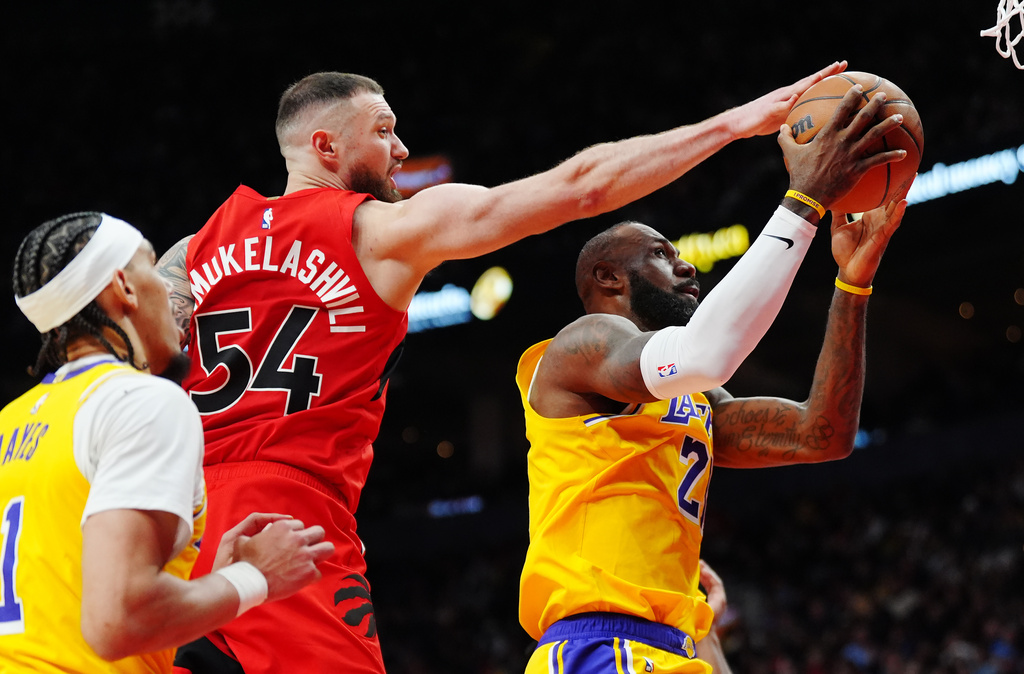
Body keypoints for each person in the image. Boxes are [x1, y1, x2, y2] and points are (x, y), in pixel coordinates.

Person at [157, 63, 865, 673]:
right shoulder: (384, 229)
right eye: (383, 130)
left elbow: (142, 360)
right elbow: (582, 185)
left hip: (181, 515)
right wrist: (735, 124)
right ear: (325, 145)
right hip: (291, 513)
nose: (401, 149)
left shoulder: (195, 248)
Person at [514, 84, 907, 673]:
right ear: (609, 278)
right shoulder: (580, 348)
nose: (686, 264)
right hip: (598, 645)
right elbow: (705, 353)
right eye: (659, 253)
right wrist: (804, 201)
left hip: (674, 647)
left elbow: (820, 434)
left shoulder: (692, 398)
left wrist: (854, 282)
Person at [0, 212, 334, 673]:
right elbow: (117, 623)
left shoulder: (10, 421)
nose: (178, 289)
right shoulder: (140, 399)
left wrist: (207, 580)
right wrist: (255, 576)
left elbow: (67, 598)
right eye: (153, 267)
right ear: (124, 287)